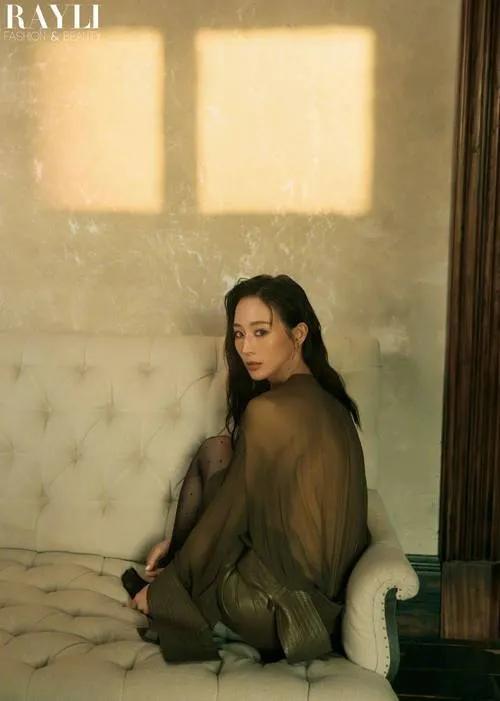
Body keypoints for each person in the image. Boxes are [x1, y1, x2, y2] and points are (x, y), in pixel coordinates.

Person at [124, 274, 370, 665]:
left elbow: (229, 516)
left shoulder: (270, 411)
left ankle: (177, 586)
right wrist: (179, 545)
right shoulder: (329, 400)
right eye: (239, 334)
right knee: (219, 450)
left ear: (298, 334)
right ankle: (178, 565)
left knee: (215, 456)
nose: (245, 348)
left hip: (276, 613)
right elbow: (255, 502)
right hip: (319, 610)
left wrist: (164, 590)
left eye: (260, 332)